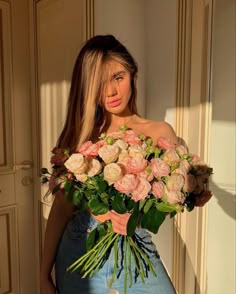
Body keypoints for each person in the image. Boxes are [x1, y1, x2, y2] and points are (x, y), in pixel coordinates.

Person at [40, 35, 212, 294]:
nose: (110, 91)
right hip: (80, 250)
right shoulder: (82, 137)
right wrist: (43, 275)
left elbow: (166, 201)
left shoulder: (159, 132)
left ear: (133, 73)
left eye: (118, 77)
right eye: (98, 83)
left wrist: (139, 218)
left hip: (135, 247)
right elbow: (62, 208)